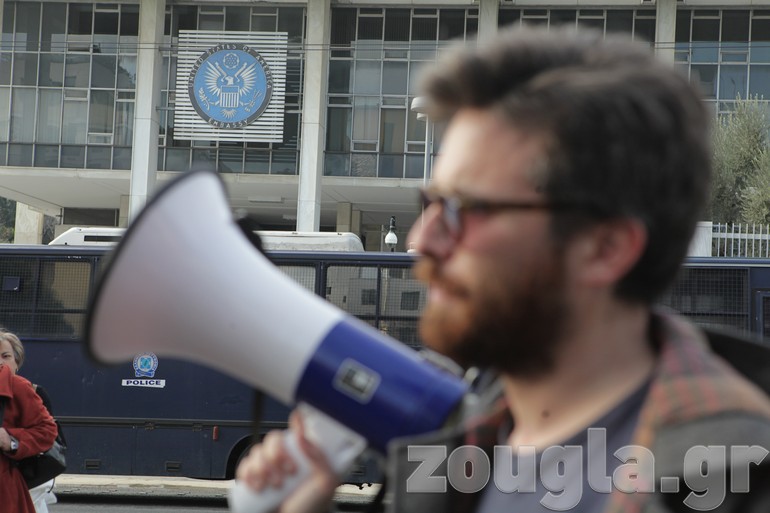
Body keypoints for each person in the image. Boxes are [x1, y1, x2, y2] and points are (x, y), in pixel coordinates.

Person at [236, 27, 770, 512]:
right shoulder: (458, 447)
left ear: (606, 248)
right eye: (429, 204)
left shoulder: (740, 480)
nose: (422, 241)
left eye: (464, 209)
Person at [0, 329, 59, 513]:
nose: (0, 362)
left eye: (5, 356)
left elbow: (48, 431)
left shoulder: (22, 388)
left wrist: (11, 440)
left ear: (17, 362)